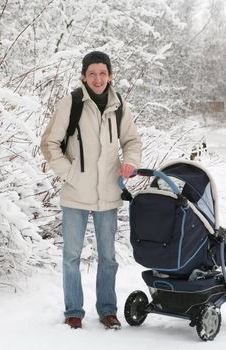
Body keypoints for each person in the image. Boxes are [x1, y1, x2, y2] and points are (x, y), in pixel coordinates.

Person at [40, 51, 142, 330]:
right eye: (92, 73)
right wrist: (70, 173)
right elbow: (50, 143)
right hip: (75, 193)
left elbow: (131, 139)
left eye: (103, 73)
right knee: (71, 257)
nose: (98, 79)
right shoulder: (70, 103)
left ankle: (108, 310)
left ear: (110, 76)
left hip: (108, 193)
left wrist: (131, 161)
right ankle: (73, 310)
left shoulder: (119, 105)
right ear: (84, 76)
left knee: (108, 258)